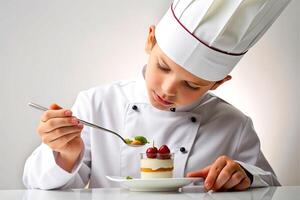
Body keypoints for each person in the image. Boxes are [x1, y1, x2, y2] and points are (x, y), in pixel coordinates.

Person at [23, 0, 291, 191]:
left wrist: (244, 176)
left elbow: (271, 187)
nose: (167, 90)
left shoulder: (235, 126)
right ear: (150, 40)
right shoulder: (96, 105)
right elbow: (35, 184)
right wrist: (66, 154)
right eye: (163, 66)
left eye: (192, 84)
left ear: (218, 83)